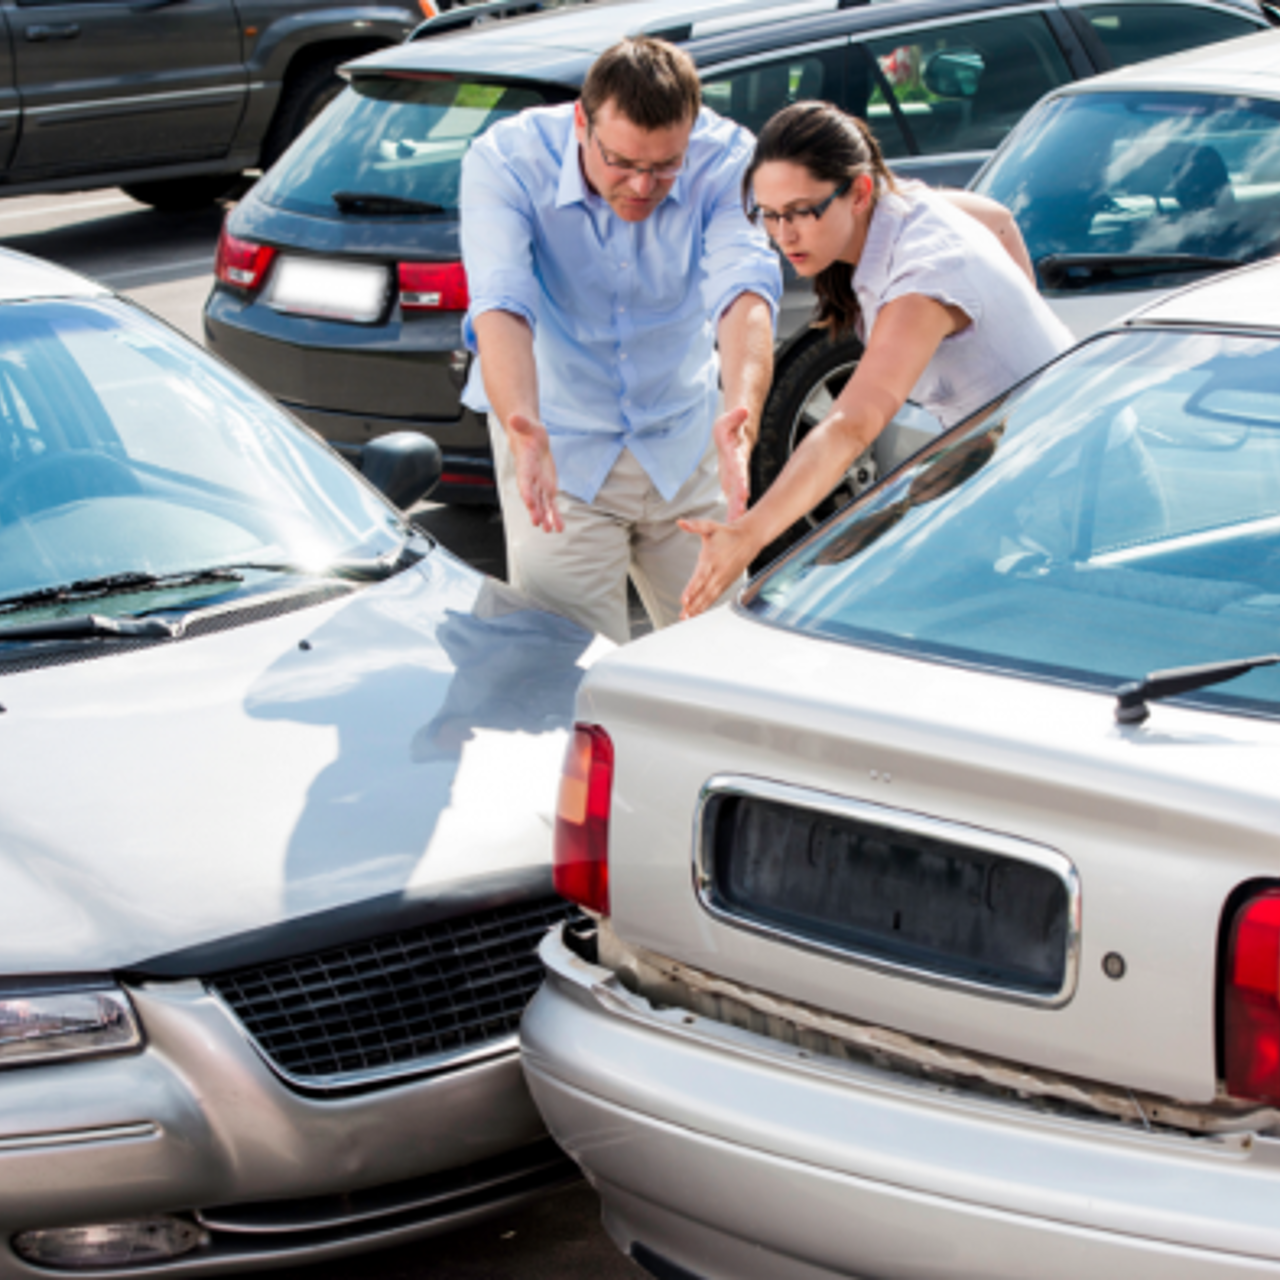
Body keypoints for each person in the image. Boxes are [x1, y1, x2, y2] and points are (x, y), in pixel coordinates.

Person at [679, 100, 1074, 619]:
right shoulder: (903, 203)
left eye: (801, 212)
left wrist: (749, 535)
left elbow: (852, 424)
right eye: (769, 215)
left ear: (859, 191)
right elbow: (997, 221)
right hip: (1012, 469)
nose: (784, 235)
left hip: (1072, 494)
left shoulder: (924, 275)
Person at [459, 37, 782, 645]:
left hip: (684, 441)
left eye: (665, 166)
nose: (642, 185)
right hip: (557, 451)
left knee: (719, 658)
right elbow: (501, 300)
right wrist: (521, 424)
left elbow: (745, 290)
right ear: (582, 121)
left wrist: (741, 418)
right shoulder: (505, 159)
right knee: (571, 680)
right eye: (623, 163)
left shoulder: (727, 157)